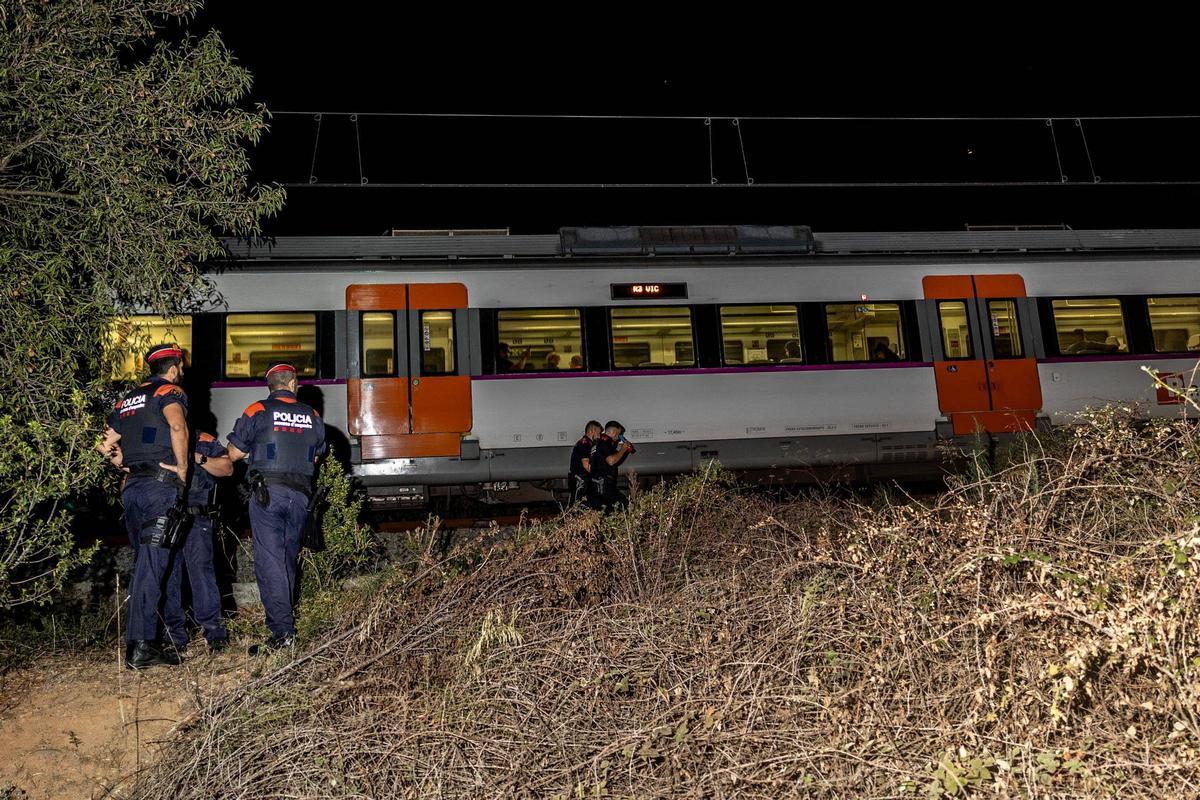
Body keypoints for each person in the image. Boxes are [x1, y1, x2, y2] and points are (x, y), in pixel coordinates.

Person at [96, 344, 189, 670]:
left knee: (148, 565)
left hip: (133, 490)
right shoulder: (170, 390)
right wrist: (182, 469)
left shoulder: (127, 400)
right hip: (158, 490)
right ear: (174, 367)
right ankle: (140, 648)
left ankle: (150, 639)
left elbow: (103, 443)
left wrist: (123, 463)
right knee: (152, 566)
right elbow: (177, 426)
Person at [226, 362, 326, 656]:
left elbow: (234, 453)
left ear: (270, 386)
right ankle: (286, 628)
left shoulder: (257, 410)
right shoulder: (313, 415)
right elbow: (317, 456)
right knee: (286, 559)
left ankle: (282, 633)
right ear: (294, 383)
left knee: (270, 562)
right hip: (301, 496)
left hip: (268, 494)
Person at [163, 431, 233, 653]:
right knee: (169, 576)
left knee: (202, 574)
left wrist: (196, 457)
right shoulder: (159, 436)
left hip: (197, 518)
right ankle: (173, 636)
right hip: (166, 515)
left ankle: (214, 633)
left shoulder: (203, 438)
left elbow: (227, 468)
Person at [587, 420, 634, 512]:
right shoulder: (604, 443)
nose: (619, 438)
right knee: (627, 506)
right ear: (612, 432)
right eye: (618, 434)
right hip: (604, 485)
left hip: (596, 486)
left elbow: (615, 459)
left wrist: (626, 451)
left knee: (605, 512)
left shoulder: (598, 443)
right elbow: (611, 461)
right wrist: (624, 448)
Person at [568, 420, 602, 506]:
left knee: (582, 504)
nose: (599, 436)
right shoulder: (585, 443)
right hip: (580, 480)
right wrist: (597, 476)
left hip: (581, 479)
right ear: (592, 431)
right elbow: (586, 464)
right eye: (598, 433)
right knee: (577, 505)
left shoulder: (587, 443)